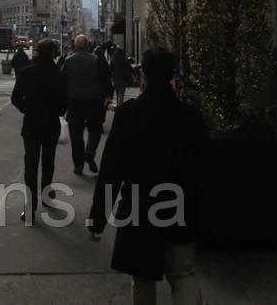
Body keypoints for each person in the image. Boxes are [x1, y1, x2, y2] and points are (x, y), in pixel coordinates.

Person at [88, 47, 205, 305]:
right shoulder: (190, 116)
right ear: (173, 76)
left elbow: (111, 170)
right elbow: (204, 167)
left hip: (140, 208)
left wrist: (97, 219)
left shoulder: (129, 114)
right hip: (181, 205)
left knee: (142, 278)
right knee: (182, 274)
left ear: (143, 75)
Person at [11, 38, 68, 223]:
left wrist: (28, 109)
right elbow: (64, 102)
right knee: (48, 162)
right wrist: (56, 111)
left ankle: (30, 208)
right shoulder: (59, 75)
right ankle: (46, 195)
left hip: (32, 124)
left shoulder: (27, 72)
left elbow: (15, 98)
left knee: (31, 165)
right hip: (51, 124)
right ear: (53, 53)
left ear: (37, 51)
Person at [61, 34, 112, 175]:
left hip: (74, 102)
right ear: (88, 45)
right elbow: (105, 80)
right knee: (94, 130)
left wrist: (62, 103)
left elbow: (62, 82)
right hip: (94, 101)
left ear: (76, 45)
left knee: (76, 134)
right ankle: (90, 152)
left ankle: (78, 164)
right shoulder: (96, 60)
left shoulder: (69, 61)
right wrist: (107, 95)